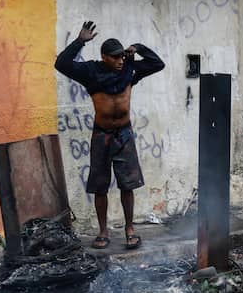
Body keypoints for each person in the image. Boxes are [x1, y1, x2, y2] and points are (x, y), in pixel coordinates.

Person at [54, 21, 165, 250]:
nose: (120, 60)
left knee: (128, 184)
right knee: (100, 185)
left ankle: (129, 228)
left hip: (124, 134)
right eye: (115, 57)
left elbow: (158, 64)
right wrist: (80, 41)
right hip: (102, 135)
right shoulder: (91, 71)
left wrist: (139, 48)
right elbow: (61, 64)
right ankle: (103, 231)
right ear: (104, 57)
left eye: (122, 56)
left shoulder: (129, 69)